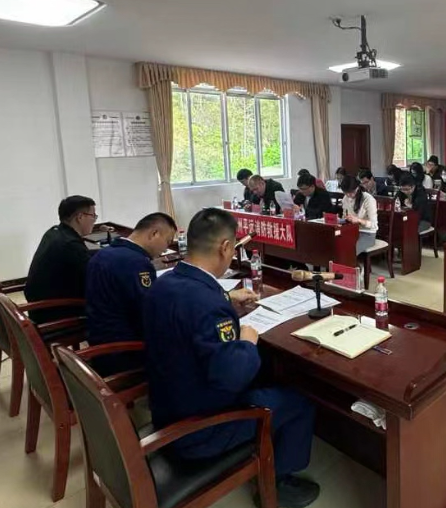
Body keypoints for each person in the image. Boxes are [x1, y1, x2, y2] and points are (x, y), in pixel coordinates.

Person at [143, 208, 320, 507]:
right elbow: (233, 377)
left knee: (267, 377)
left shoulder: (163, 283)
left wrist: (225, 298)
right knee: (299, 401)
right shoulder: (207, 303)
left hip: (166, 407)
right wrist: (247, 342)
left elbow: (187, 312)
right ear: (226, 247)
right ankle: (278, 485)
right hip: (198, 429)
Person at [85, 212, 177, 375]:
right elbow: (149, 314)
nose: (165, 249)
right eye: (167, 241)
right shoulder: (136, 263)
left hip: (99, 341)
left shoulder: (103, 253)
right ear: (154, 233)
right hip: (123, 352)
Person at [25, 195, 99, 325]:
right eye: (93, 216)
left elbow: (82, 259)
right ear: (80, 217)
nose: (94, 220)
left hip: (39, 307)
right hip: (56, 313)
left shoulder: (54, 232)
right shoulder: (70, 244)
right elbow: (95, 277)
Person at [339, 176, 379, 254]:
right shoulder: (345, 198)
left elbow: (374, 224)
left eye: (351, 192)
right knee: (335, 244)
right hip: (351, 231)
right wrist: (340, 220)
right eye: (345, 192)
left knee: (350, 250)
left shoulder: (368, 199)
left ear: (357, 188)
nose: (348, 195)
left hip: (367, 234)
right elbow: (344, 217)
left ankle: (350, 261)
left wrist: (359, 220)